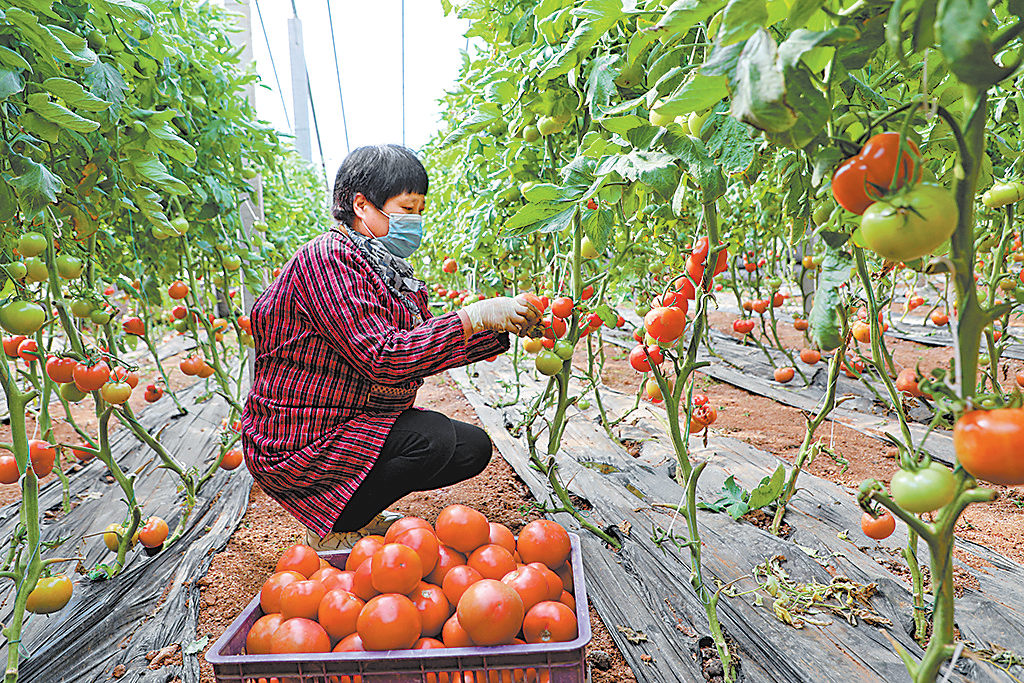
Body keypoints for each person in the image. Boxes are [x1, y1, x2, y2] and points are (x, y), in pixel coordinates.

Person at [240, 144, 541, 550]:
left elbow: (420, 344)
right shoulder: (327, 259)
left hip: (350, 421)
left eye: (419, 209)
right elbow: (385, 357)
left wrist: (498, 328)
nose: (414, 221)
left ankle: (357, 506)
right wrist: (472, 317)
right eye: (405, 208)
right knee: (432, 436)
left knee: (471, 448)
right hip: (300, 440)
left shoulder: (385, 270)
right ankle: (338, 523)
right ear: (361, 205)